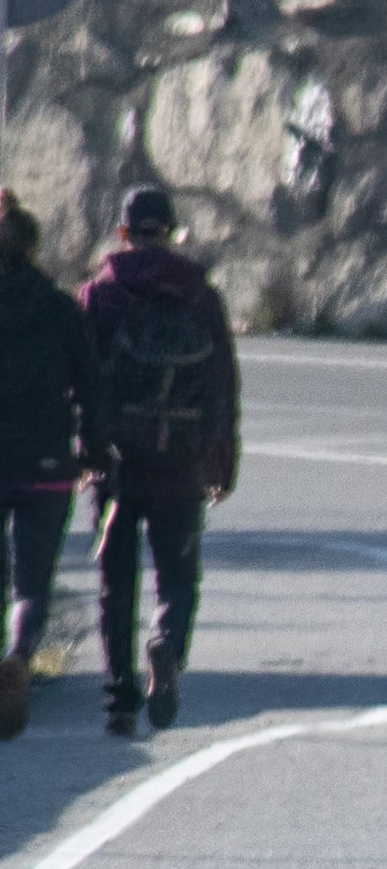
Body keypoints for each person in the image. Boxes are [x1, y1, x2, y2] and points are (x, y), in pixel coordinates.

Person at [80, 187, 238, 736]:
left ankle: (120, 699)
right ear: (172, 232)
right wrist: (222, 457)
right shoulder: (199, 294)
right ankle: (166, 644)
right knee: (177, 574)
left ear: (123, 233)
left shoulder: (100, 296)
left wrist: (86, 451)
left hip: (119, 463)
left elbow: (80, 379)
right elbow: (223, 380)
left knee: (115, 580)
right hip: (181, 459)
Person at [0, 190, 103, 741]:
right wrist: (94, 450)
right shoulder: (63, 309)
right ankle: (19, 655)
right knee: (32, 578)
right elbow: (90, 387)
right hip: (46, 462)